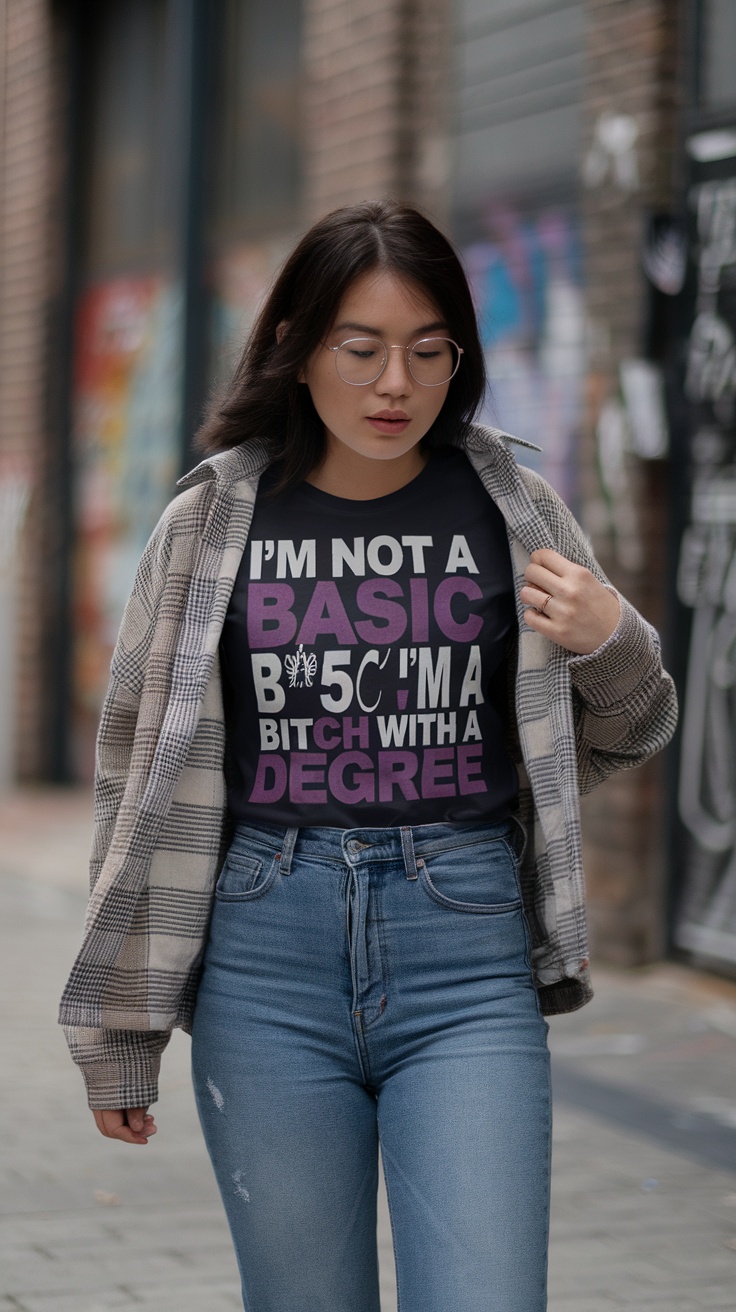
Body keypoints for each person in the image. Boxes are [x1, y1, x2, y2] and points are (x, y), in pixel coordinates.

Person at [59, 198, 677, 1312]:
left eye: (429, 351)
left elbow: (631, 727)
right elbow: (134, 777)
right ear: (296, 350)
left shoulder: (516, 511)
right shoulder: (209, 527)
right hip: (263, 959)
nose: (396, 383)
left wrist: (612, 639)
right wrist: (119, 1032)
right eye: (363, 349)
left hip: (465, 956)